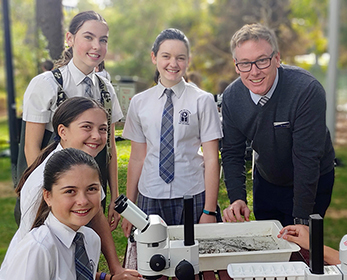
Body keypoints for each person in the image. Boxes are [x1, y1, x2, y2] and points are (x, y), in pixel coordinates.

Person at [221, 23, 335, 227]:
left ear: (277, 58)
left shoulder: (306, 90)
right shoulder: (231, 97)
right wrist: (237, 198)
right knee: (271, 242)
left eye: (262, 61)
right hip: (267, 179)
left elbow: (307, 158)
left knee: (302, 248)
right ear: (236, 65)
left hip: (313, 178)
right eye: (245, 63)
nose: (254, 72)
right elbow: (232, 152)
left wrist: (301, 219)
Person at [16, 10, 122, 229]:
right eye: (88, 37)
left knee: (87, 253)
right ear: (70, 39)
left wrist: (113, 197)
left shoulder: (106, 90)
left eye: (103, 40)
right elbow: (31, 147)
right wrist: (50, 197)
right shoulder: (46, 84)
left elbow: (109, 146)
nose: (97, 46)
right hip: (56, 197)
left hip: (91, 192)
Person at [1, 97, 129, 276]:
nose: (96, 136)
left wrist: (114, 269)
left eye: (103, 129)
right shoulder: (46, 182)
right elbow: (41, 251)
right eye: (87, 127)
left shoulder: (82, 166)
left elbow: (97, 213)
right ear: (63, 131)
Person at [121, 28, 223, 238]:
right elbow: (137, 158)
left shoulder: (202, 101)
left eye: (180, 58)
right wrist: (129, 209)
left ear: (188, 60)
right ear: (154, 57)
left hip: (192, 193)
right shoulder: (139, 103)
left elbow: (212, 158)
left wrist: (209, 210)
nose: (173, 64)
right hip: (151, 193)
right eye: (166, 56)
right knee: (152, 265)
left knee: (192, 266)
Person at [1, 148, 141, 280]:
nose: (83, 201)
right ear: (48, 196)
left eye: (91, 189)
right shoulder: (37, 249)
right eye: (70, 191)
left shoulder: (91, 239)